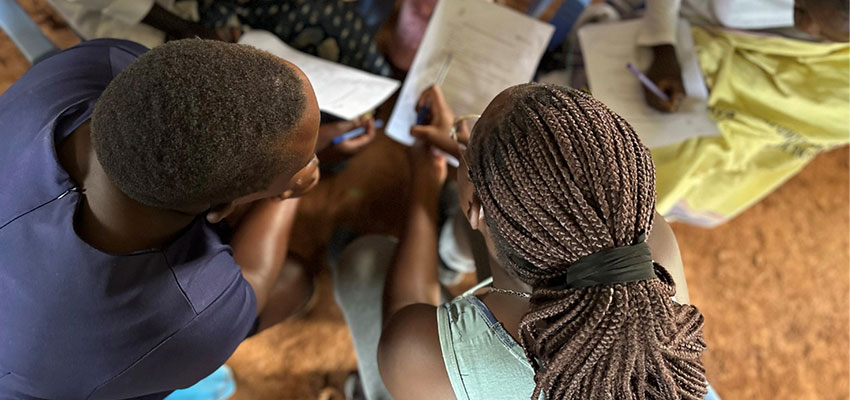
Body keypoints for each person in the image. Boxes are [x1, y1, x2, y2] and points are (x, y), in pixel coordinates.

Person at [330, 83, 710, 400]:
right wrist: (487, 172)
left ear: (475, 208)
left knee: (363, 262)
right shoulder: (650, 241)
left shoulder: (412, 353)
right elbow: (560, 220)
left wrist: (424, 187)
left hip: (419, 375)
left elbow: (405, 316)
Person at [0, 38, 324, 398]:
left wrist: (281, 172)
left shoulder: (102, 60)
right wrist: (289, 192)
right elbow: (254, 284)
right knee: (292, 283)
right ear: (221, 208)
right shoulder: (187, 316)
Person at [577, 0, 849, 111]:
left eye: (822, 35)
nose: (806, 28)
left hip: (703, 44)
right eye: (802, 7)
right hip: (662, 15)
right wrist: (663, 48)